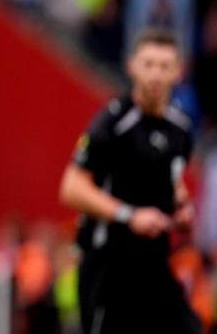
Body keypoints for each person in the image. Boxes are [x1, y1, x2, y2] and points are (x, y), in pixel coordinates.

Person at [59, 28, 201, 333]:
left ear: (178, 72)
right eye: (148, 64)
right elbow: (71, 187)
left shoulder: (182, 127)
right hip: (109, 265)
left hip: (154, 264)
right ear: (132, 66)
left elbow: (173, 178)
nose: (155, 74)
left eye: (164, 66)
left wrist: (183, 207)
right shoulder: (114, 122)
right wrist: (130, 215)